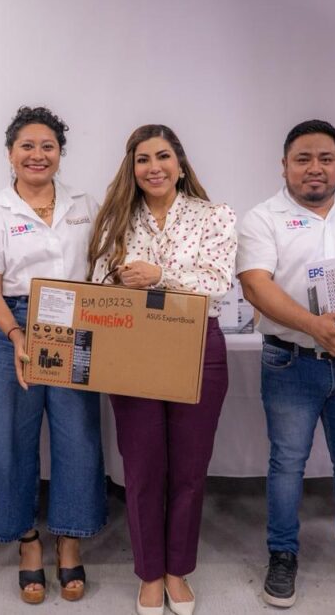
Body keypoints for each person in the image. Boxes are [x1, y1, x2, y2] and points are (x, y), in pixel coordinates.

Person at [236, 119, 335, 608]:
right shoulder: (262, 218)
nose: (315, 168)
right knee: (287, 463)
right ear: (284, 165)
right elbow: (256, 286)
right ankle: (282, 553)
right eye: (302, 159)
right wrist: (314, 326)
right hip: (291, 362)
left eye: (325, 158)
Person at [88, 124, 237, 615]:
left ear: (180, 163)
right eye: (143, 159)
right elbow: (97, 284)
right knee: (143, 466)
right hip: (133, 346)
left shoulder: (214, 215)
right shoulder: (115, 219)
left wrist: (159, 276)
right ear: (132, 168)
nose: (154, 167)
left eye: (163, 156)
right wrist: (119, 281)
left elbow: (218, 282)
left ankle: (178, 571)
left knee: (189, 468)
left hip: (197, 345)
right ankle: (150, 573)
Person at [0, 106, 106, 605]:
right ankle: (26, 540)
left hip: (75, 322)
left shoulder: (85, 205)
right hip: (11, 324)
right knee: (7, 434)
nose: (37, 155)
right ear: (10, 154)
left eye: (48, 146)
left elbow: (101, 267)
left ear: (60, 154)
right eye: (27, 146)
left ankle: (69, 539)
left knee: (77, 432)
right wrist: (15, 333)